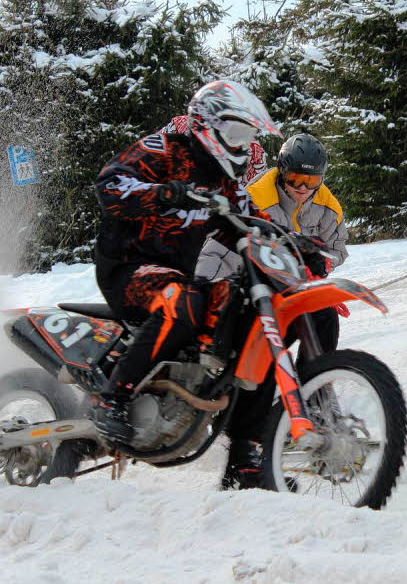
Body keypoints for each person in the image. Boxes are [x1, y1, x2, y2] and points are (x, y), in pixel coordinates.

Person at [90, 79, 282, 444]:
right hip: (127, 270)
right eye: (238, 134)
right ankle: (111, 399)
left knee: (249, 317)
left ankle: (245, 457)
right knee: (182, 301)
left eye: (248, 138)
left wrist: (297, 243)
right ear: (207, 124)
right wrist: (166, 192)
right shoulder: (164, 150)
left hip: (176, 275)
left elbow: (252, 223)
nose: (242, 146)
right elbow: (109, 186)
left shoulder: (224, 182)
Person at [195, 133, 350, 490]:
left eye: (311, 182)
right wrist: (208, 291)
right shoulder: (255, 196)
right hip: (245, 288)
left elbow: (338, 249)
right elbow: (216, 250)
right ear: (281, 173)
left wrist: (320, 265)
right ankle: (243, 431)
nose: (302, 188)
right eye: (295, 180)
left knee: (323, 314)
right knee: (262, 339)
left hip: (287, 289)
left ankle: (317, 398)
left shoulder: (327, 207)